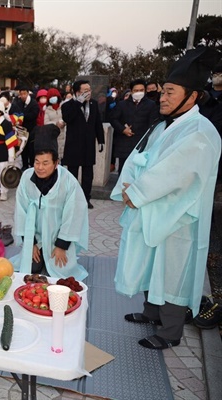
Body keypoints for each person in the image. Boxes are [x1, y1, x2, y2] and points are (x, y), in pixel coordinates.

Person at [112, 48, 221, 350]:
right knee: (152, 264)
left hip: (178, 217)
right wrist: (128, 186)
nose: (162, 97)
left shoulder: (200, 132)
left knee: (172, 270)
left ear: (193, 96)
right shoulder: (165, 126)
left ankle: (170, 331)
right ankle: (151, 313)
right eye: (163, 92)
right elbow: (141, 159)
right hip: (154, 210)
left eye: (171, 92)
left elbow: (174, 173)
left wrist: (136, 193)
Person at [11, 126, 88, 280]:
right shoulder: (26, 178)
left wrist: (62, 245)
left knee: (60, 272)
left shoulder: (68, 182)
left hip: (57, 239)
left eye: (46, 163)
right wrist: (30, 243)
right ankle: (38, 253)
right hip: (37, 238)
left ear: (56, 163)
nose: (40, 167)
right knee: (30, 268)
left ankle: (55, 253)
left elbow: (74, 214)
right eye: (37, 162)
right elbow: (21, 211)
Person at [61, 80, 105, 209]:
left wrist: (101, 140)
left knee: (88, 175)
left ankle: (86, 198)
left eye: (89, 90)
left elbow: (98, 123)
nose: (88, 93)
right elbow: (67, 118)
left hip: (88, 145)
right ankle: (72, 199)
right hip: (73, 145)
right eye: (85, 90)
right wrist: (78, 102)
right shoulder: (68, 105)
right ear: (77, 92)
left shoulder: (94, 104)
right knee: (72, 174)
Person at [110, 79, 159, 173]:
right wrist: (123, 129)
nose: (139, 92)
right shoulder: (122, 104)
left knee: (138, 174)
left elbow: (152, 124)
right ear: (131, 91)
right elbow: (113, 119)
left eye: (141, 90)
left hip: (142, 146)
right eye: (136, 90)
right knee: (123, 173)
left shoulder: (151, 105)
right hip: (124, 145)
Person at [14, 86, 40, 169]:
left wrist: (22, 116)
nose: (23, 96)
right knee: (23, 149)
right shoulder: (17, 103)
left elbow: (33, 115)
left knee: (31, 150)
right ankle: (24, 166)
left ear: (28, 93)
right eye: (21, 94)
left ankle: (33, 166)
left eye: (24, 93)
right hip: (21, 131)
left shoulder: (33, 103)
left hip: (31, 130)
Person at [43, 88, 66, 160]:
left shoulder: (63, 107)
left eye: (54, 96)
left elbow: (67, 117)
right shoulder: (47, 110)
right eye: (51, 97)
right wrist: (55, 123)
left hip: (63, 134)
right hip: (53, 135)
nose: (53, 98)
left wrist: (63, 122)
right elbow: (46, 122)